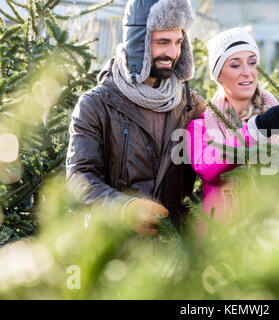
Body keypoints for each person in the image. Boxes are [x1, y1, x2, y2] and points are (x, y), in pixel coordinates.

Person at [66, 0, 205, 236]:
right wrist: (124, 208)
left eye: (178, 42)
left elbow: (213, 175)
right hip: (116, 252)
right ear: (138, 41)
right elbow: (79, 178)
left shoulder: (192, 106)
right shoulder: (96, 105)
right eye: (162, 42)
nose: (172, 53)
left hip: (174, 253)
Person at [185, 28, 279, 236]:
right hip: (221, 244)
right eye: (235, 64)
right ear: (219, 75)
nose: (247, 71)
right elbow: (208, 168)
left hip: (276, 239)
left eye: (252, 62)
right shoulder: (200, 126)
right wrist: (256, 129)